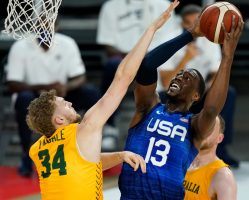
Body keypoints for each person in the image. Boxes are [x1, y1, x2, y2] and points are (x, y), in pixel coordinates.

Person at [26, 1, 180, 199]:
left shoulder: (37, 150)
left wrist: (120, 156)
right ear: (59, 120)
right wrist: (152, 29)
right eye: (64, 104)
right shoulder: (85, 129)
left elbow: (85, 160)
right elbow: (123, 77)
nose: (70, 103)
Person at [119, 11, 244, 200]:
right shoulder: (148, 108)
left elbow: (211, 109)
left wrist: (227, 58)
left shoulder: (194, 127)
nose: (179, 77)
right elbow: (147, 66)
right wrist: (190, 35)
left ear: (196, 95)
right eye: (179, 75)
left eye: (188, 78)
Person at [6, 31, 101, 177]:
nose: (44, 23)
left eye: (48, 18)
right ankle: (26, 155)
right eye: (40, 19)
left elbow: (80, 77)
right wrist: (44, 87)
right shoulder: (20, 46)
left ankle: (94, 143)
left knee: (91, 93)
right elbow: (13, 84)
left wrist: (66, 87)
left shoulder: (67, 43)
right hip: (35, 96)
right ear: (34, 23)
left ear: (56, 23)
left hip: (62, 94)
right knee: (23, 98)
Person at [158, 5, 239, 168]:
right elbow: (166, 83)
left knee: (227, 93)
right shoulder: (170, 39)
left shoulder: (211, 40)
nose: (196, 26)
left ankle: (221, 148)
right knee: (165, 97)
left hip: (199, 93)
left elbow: (215, 73)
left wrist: (209, 89)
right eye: (189, 23)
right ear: (182, 23)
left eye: (199, 21)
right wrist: (186, 58)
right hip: (173, 95)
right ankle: (168, 152)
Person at [97, 0, 180, 151]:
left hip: (156, 57)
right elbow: (108, 44)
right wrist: (135, 57)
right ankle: (109, 126)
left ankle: (161, 129)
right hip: (124, 58)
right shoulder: (111, 6)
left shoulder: (163, 4)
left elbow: (170, 38)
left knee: (159, 69)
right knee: (112, 66)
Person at [183, 115, 237, 200]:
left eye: (210, 128)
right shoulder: (179, 162)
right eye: (201, 126)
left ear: (219, 138)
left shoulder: (223, 176)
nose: (204, 131)